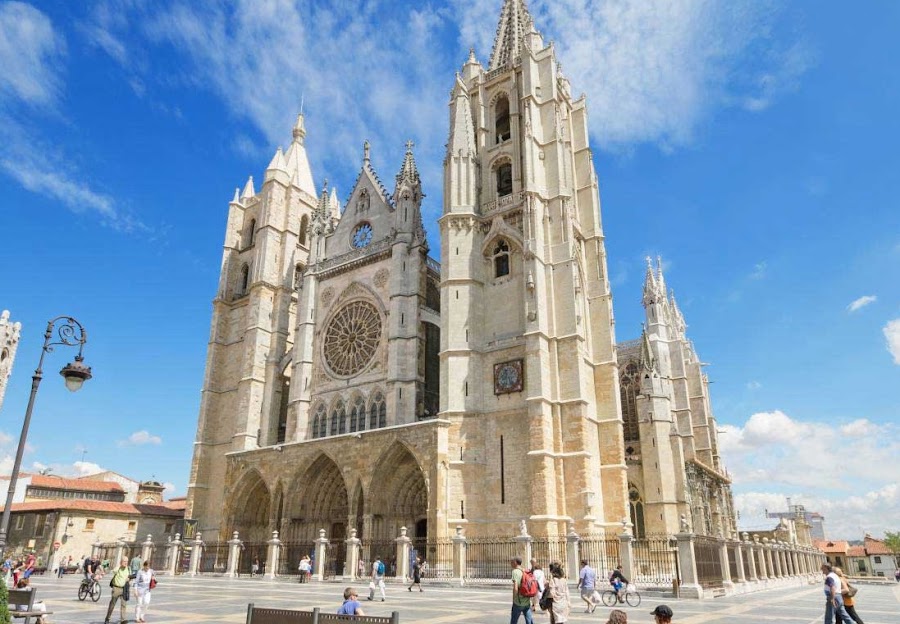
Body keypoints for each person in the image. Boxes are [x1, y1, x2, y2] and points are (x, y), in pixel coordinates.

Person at [105, 557, 131, 624]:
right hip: (116, 588)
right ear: (121, 562)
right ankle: (107, 618)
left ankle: (123, 620)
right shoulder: (118, 568)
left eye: (127, 561)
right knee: (112, 604)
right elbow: (114, 571)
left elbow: (129, 577)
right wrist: (119, 565)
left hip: (124, 589)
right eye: (124, 561)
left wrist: (129, 580)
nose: (126, 563)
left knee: (124, 605)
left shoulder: (128, 568)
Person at [510, 556, 534, 624]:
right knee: (529, 621)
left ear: (515, 562)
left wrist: (514, 599)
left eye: (511, 562)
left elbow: (515, 588)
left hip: (518, 602)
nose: (510, 564)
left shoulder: (515, 571)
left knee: (513, 621)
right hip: (527, 600)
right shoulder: (525, 570)